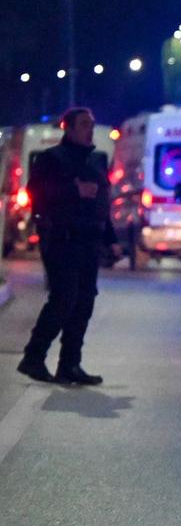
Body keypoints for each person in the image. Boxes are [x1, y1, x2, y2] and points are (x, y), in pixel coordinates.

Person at [15, 106, 117, 386]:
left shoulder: (95, 161)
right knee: (64, 299)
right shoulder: (52, 159)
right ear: (68, 128)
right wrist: (74, 190)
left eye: (91, 125)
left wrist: (111, 240)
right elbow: (37, 194)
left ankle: (70, 364)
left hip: (88, 242)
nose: (89, 130)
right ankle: (33, 357)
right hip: (62, 240)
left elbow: (101, 204)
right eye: (84, 125)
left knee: (84, 303)